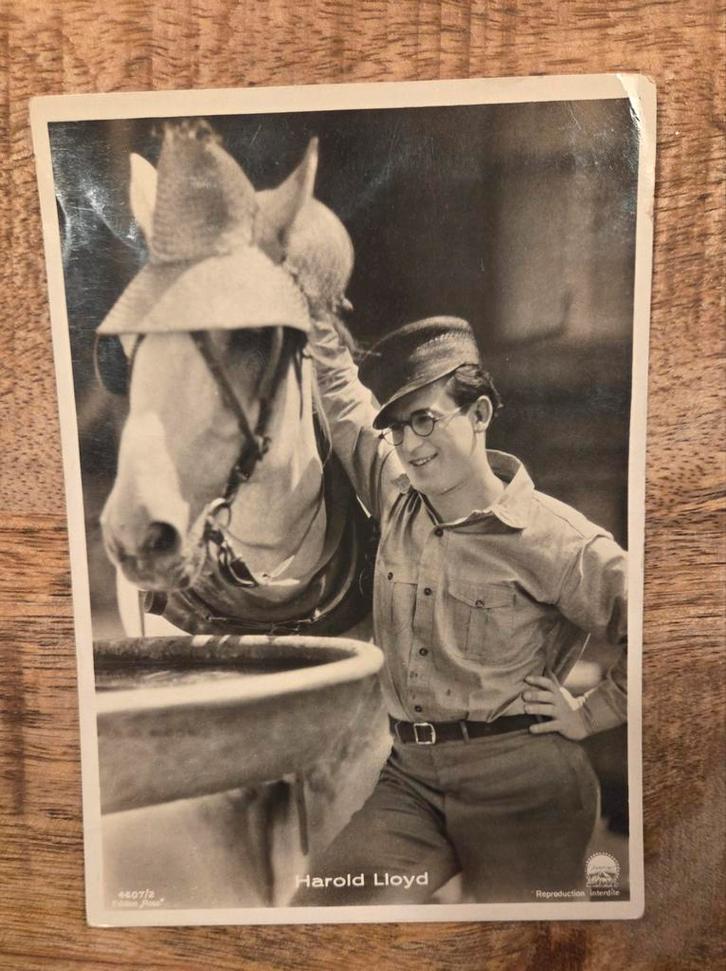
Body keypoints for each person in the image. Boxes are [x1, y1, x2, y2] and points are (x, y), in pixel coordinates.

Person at [293, 314, 627, 905]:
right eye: (397, 429)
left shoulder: (557, 540)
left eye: (425, 419)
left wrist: (592, 712)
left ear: (478, 415)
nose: (410, 446)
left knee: (516, 950)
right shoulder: (398, 499)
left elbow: (680, 633)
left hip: (524, 786)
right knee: (321, 913)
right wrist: (313, 310)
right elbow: (344, 401)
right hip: (411, 781)